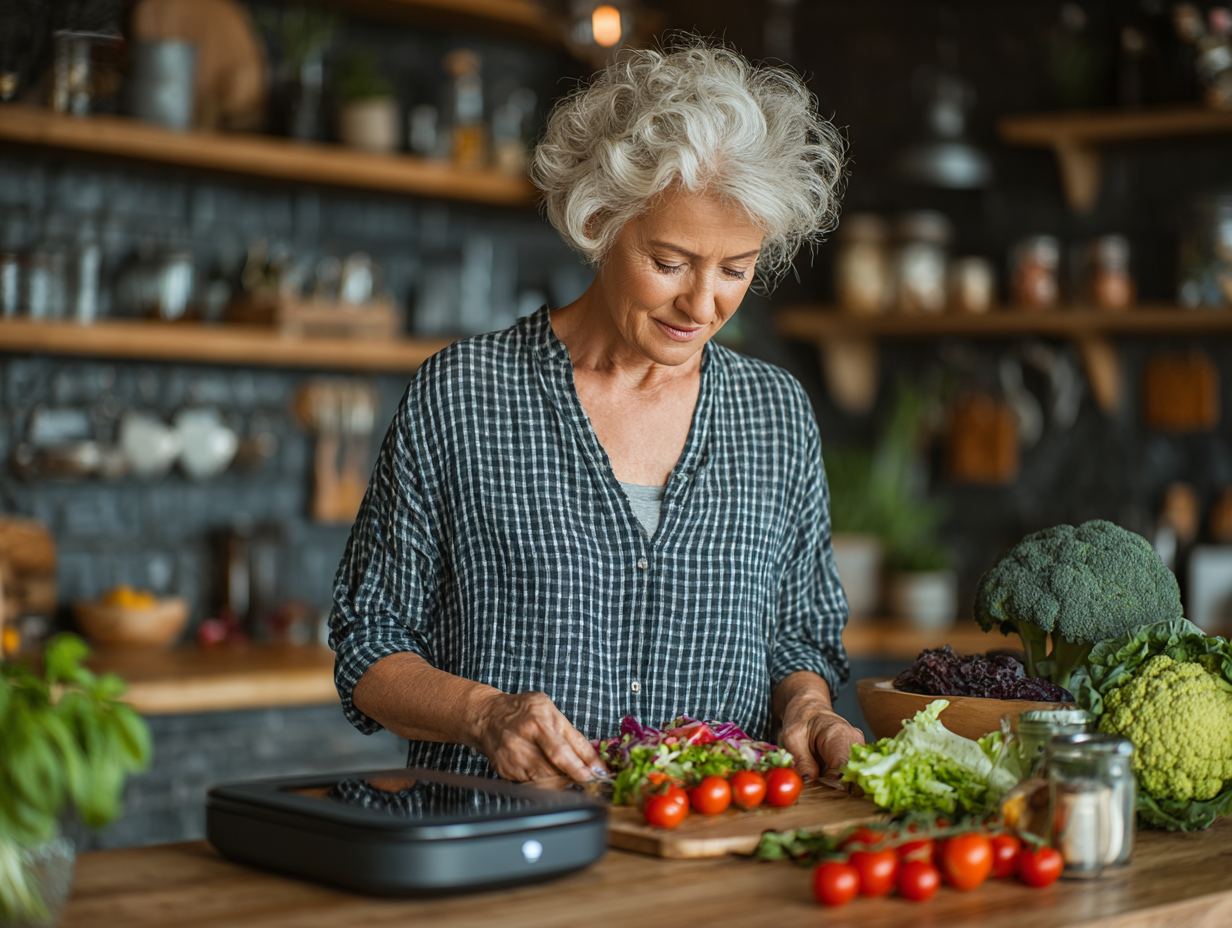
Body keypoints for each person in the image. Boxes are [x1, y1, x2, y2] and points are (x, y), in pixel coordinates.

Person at [329, 38, 865, 786]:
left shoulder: (773, 414)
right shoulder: (465, 395)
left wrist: (807, 706)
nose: (701, 303)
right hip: (504, 860)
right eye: (670, 262)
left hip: (705, 859)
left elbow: (799, 638)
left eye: (735, 270)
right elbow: (368, 643)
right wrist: (485, 715)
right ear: (600, 220)